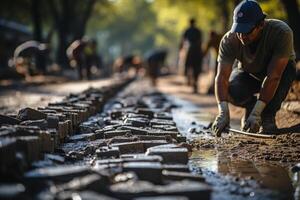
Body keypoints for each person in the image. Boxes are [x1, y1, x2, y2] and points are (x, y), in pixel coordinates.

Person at [212, 0, 296, 136]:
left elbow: (273, 76)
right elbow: (221, 78)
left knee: (287, 71)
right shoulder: (229, 40)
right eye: (238, 30)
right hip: (249, 73)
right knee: (232, 89)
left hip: (278, 73)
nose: (241, 36)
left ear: (261, 24)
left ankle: (267, 116)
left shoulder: (281, 32)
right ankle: (250, 106)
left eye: (247, 31)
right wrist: (223, 113)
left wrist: (258, 113)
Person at [179, 18, 203, 93]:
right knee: (197, 66)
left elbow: (183, 40)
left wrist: (180, 49)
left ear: (189, 23)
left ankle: (187, 77)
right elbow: (200, 41)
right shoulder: (198, 31)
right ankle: (195, 83)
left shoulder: (187, 30)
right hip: (197, 50)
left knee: (186, 64)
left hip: (189, 49)